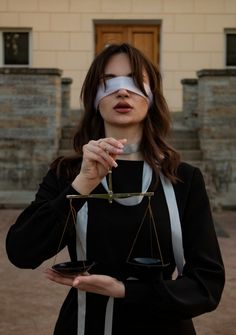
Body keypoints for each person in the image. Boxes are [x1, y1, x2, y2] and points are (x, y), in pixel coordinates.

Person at [6, 43, 225, 335]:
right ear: (94, 98)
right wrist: (81, 185)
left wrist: (126, 291)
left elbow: (207, 283)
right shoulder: (68, 173)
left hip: (163, 324)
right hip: (86, 325)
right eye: (108, 82)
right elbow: (22, 251)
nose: (122, 91)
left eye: (134, 82)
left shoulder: (183, 178)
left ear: (152, 97)